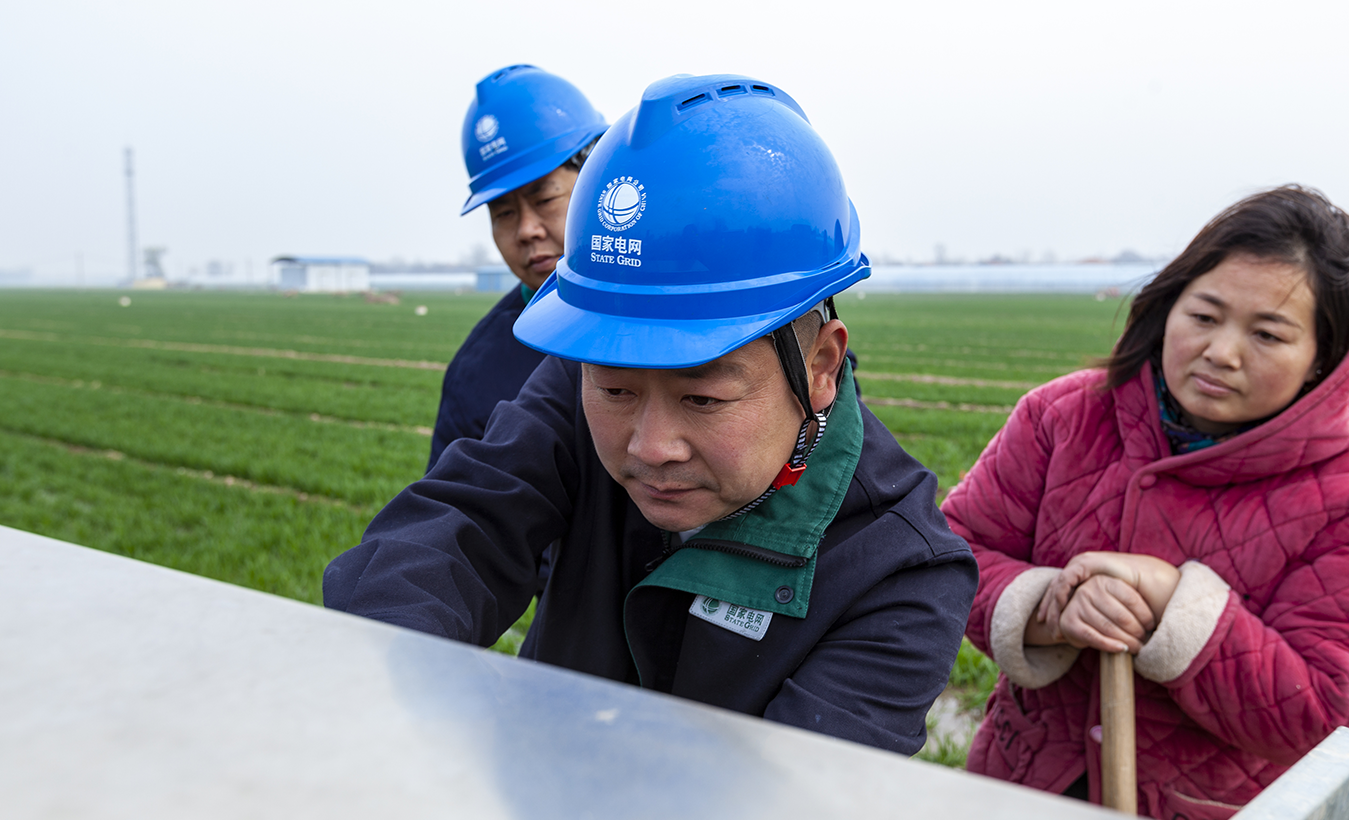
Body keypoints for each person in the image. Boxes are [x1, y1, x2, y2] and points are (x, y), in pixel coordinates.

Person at [325, 73, 977, 755]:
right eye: (616, 392)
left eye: (703, 398)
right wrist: (378, 678)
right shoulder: (572, 397)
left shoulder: (900, 572)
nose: (651, 446)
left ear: (817, 366)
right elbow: (461, 523)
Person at [944, 186, 1349, 817]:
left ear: (1324, 357)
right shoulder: (1064, 415)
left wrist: (1171, 601)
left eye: (1268, 334)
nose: (1222, 352)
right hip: (1020, 786)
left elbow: (1326, 704)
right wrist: (1054, 606)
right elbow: (955, 555)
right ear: (1169, 306)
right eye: (1204, 316)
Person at [427, 65, 609, 471]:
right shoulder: (477, 374)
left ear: (596, 177)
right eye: (504, 213)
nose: (526, 230)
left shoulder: (680, 315)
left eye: (544, 199)